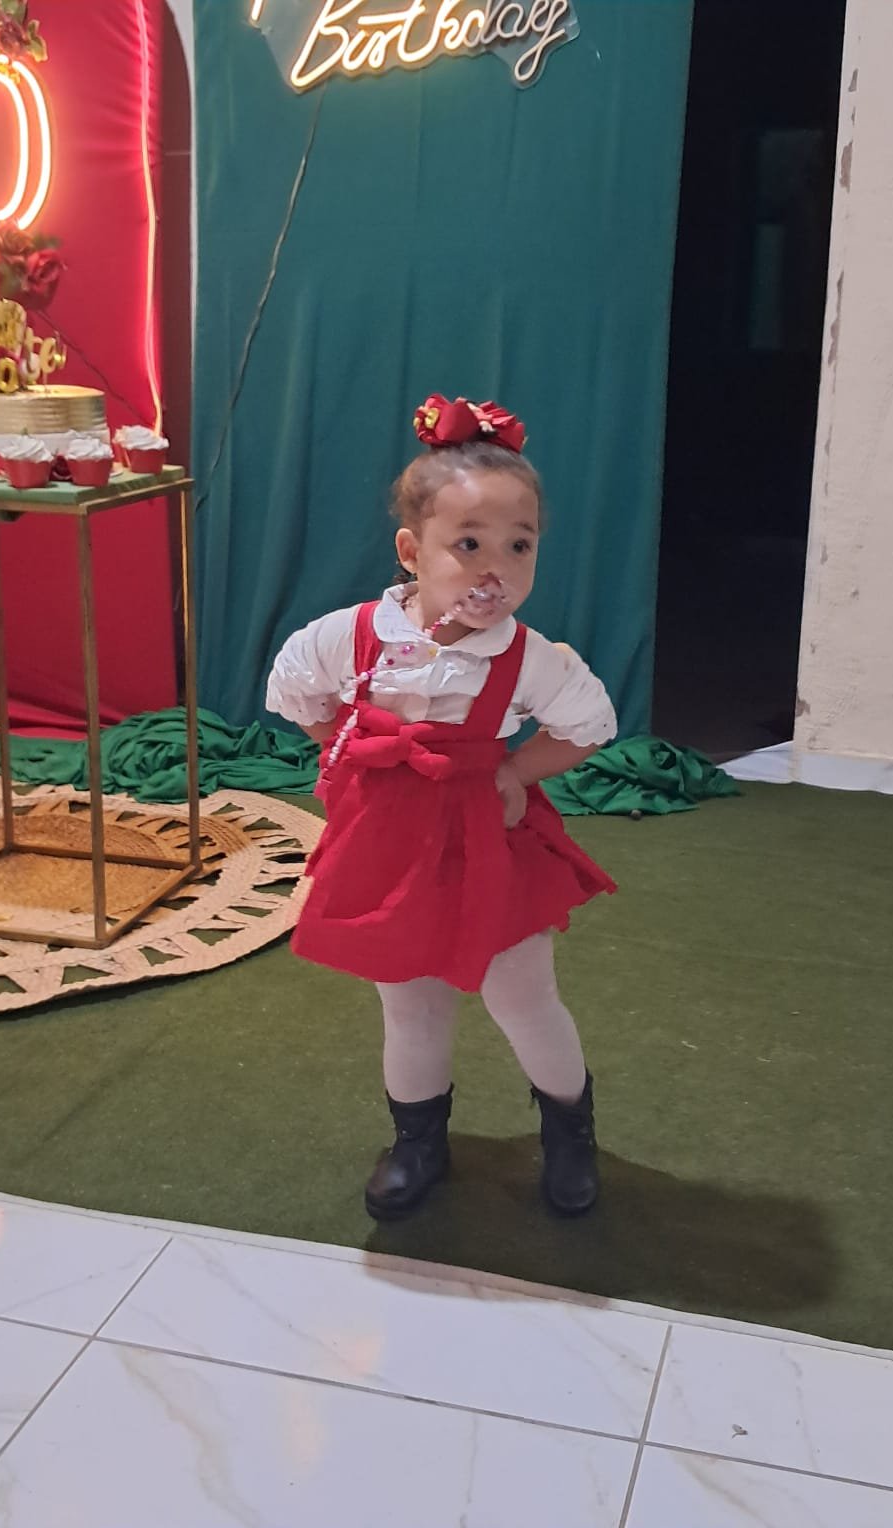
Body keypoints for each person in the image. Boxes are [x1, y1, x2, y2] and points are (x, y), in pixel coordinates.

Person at [267, 394, 618, 1220]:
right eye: (468, 544)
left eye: (519, 545)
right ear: (410, 551)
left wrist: (517, 771)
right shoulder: (352, 635)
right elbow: (297, 690)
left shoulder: (530, 657)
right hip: (389, 845)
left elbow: (587, 726)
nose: (496, 568)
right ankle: (418, 1141)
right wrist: (354, 749)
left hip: (489, 840)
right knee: (411, 1000)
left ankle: (570, 1132)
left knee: (521, 995)